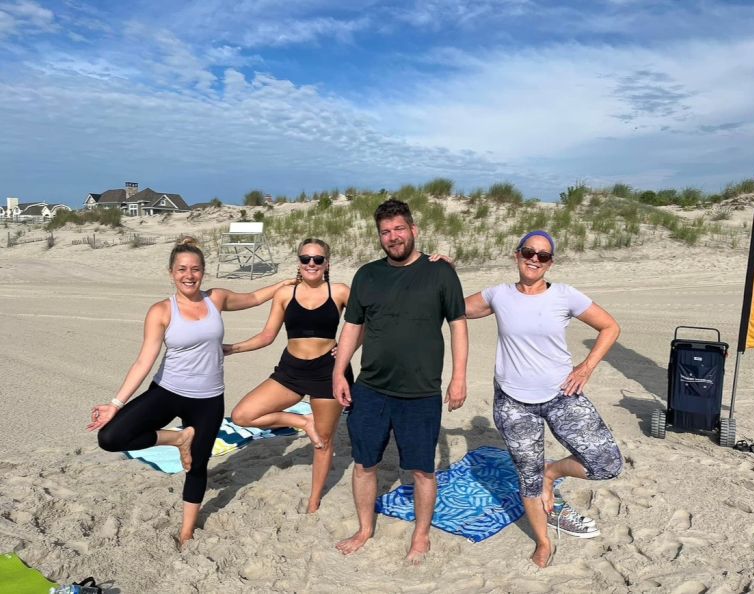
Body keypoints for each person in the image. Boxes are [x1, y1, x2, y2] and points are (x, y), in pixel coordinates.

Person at [87, 237, 295, 545]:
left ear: (203, 272)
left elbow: (253, 297)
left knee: (197, 466)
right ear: (171, 272)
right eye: (182, 269)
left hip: (208, 399)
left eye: (195, 269)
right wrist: (115, 404)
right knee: (110, 437)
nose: (189, 275)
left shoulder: (217, 299)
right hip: (167, 390)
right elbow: (145, 360)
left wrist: (284, 284)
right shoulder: (161, 311)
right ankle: (177, 438)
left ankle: (186, 531)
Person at [464, 230, 623, 567]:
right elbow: (452, 307)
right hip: (512, 402)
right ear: (517, 254)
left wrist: (586, 367)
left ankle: (552, 471)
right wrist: (441, 270)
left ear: (550, 262)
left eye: (543, 255)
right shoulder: (499, 295)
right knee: (528, 478)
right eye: (529, 252)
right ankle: (543, 541)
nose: (534, 259)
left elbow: (609, 327)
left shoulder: (565, 296)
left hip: (562, 394)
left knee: (606, 463)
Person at [332, 199, 468, 564]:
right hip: (371, 388)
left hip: (421, 391)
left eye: (399, 229)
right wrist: (339, 371)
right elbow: (354, 327)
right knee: (364, 463)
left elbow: (458, 325)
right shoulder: (367, 275)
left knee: (422, 469)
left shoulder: (440, 273)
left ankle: (420, 536)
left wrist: (459, 377)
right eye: (385, 232)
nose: (393, 237)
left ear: (414, 230)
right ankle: (365, 528)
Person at [225, 238, 354, 513]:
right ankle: (302, 421)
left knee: (324, 441)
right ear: (299, 262)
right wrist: (232, 348)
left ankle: (313, 499)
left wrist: (347, 347)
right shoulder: (285, 294)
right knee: (242, 415)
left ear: (326, 264)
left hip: (327, 372)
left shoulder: (341, 291)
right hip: (291, 370)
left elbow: (364, 321)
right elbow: (267, 336)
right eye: (305, 258)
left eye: (317, 259)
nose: (311, 263)